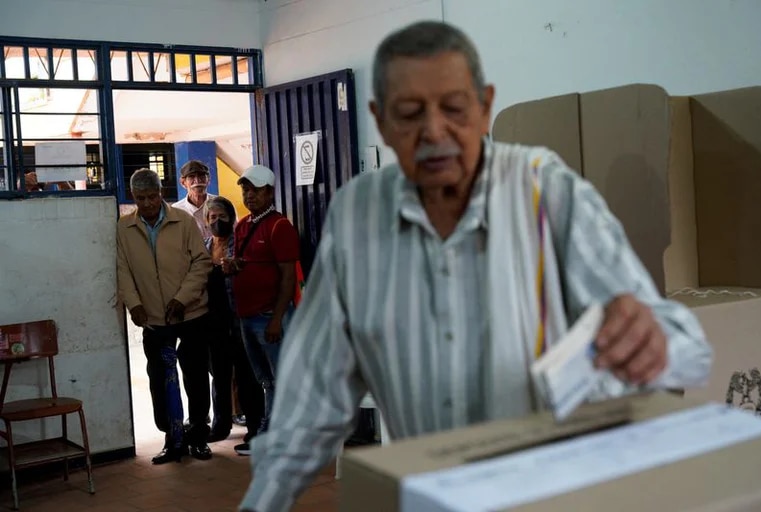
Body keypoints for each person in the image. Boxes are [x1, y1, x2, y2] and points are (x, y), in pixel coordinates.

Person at [238, 21, 713, 512]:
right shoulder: (361, 216)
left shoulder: (548, 194)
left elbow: (687, 346)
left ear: (485, 107)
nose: (435, 132)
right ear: (382, 120)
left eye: (454, 107)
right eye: (410, 112)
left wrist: (639, 343)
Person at [116, 168, 214, 464]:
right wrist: (134, 304)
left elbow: (201, 262)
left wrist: (182, 298)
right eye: (140, 198)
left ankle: (198, 436)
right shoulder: (124, 227)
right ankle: (172, 438)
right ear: (133, 197)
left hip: (191, 313)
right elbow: (123, 269)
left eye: (152, 196)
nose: (147, 203)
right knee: (159, 380)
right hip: (154, 319)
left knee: (195, 376)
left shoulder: (182, 220)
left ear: (161, 193)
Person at [222, 165, 300, 454]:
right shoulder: (243, 225)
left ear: (269, 192)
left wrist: (277, 319)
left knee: (281, 379)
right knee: (266, 380)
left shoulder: (280, 227)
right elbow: (245, 262)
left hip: (269, 317)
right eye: (245, 189)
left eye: (255, 190)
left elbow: (288, 277)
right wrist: (232, 266)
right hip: (246, 316)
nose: (249, 195)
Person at [202, 196, 266, 454]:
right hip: (213, 323)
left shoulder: (240, 244)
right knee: (219, 375)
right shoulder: (205, 247)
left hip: (239, 319)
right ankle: (220, 425)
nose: (217, 221)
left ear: (231, 218)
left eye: (222, 216)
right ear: (206, 221)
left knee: (246, 376)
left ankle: (255, 427)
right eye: (212, 217)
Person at [172, 159, 217, 239]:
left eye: (201, 176)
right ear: (183, 182)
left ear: (208, 180)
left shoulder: (221, 204)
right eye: (191, 177)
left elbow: (233, 235)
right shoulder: (175, 210)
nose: (197, 181)